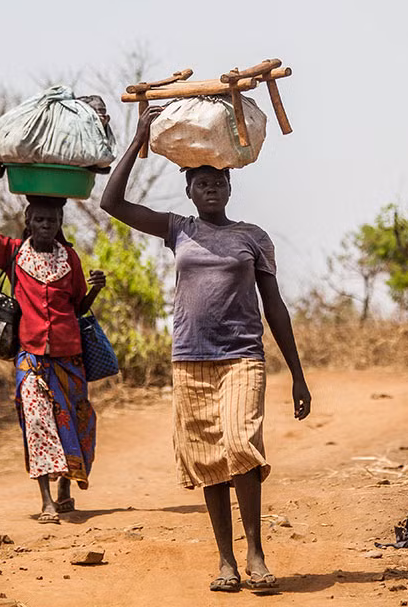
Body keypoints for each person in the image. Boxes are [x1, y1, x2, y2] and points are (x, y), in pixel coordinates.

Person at [100, 104, 311, 593]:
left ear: (231, 187)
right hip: (191, 360)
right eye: (202, 182)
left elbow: (274, 307)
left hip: (242, 358)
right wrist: (138, 141)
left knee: (241, 446)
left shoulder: (253, 238)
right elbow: (112, 203)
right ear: (189, 190)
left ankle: (256, 552)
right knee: (209, 459)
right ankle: (226, 561)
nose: (211, 188)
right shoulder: (178, 229)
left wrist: (298, 374)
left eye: (219, 181)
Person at [0, 163, 107, 524]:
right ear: (29, 222)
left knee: (72, 421)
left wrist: (95, 290)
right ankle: (45, 501)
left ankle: (65, 490)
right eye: (40, 220)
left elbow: (77, 308)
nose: (46, 226)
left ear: (60, 224)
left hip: (69, 356)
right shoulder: (12, 251)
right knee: (37, 422)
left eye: (52, 221)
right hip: (30, 356)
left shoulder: (69, 258)